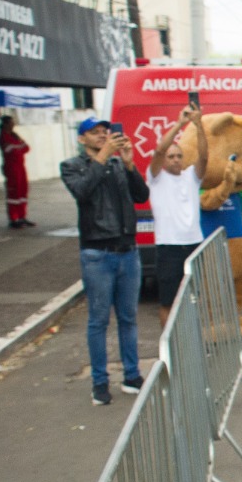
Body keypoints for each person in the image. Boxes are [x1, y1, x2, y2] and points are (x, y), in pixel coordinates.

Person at [61, 116, 148, 405]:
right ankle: (100, 382)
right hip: (97, 254)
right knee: (98, 321)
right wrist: (103, 155)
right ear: (82, 138)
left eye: (105, 132)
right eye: (95, 133)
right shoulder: (73, 166)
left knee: (128, 318)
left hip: (127, 251)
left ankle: (132, 375)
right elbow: (82, 191)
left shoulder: (116, 164)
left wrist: (129, 163)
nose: (103, 136)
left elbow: (141, 195)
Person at [145, 103, 208, 328]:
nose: (175, 159)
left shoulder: (191, 176)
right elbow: (160, 150)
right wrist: (180, 123)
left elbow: (204, 156)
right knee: (168, 302)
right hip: (168, 247)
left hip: (193, 245)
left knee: (194, 299)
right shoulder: (155, 178)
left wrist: (199, 124)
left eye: (179, 156)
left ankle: (194, 347)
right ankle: (170, 351)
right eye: (171, 156)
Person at [0, 115, 33, 228]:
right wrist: (19, 147)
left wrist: (18, 147)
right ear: (6, 124)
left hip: (20, 167)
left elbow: (26, 148)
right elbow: (12, 151)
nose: (13, 125)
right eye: (11, 123)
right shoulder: (3, 137)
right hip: (11, 168)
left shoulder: (14, 136)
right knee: (14, 194)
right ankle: (14, 219)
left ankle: (22, 217)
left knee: (22, 192)